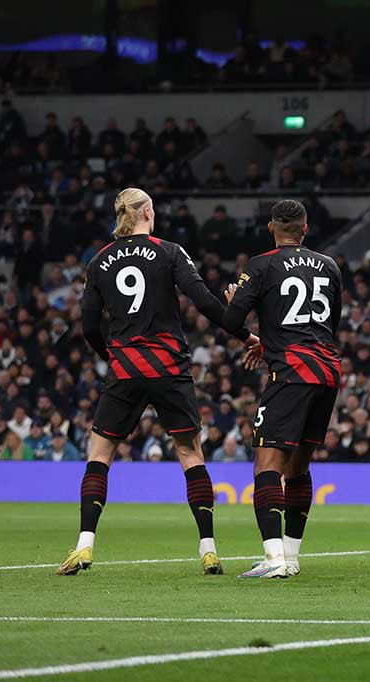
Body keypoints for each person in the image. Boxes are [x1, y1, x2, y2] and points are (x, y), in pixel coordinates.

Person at [57, 187, 256, 577]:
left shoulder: (98, 261)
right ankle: (208, 550)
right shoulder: (169, 251)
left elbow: (88, 326)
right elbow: (202, 301)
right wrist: (244, 334)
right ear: (147, 212)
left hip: (125, 368)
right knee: (190, 455)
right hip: (168, 367)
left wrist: (112, 358)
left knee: (100, 456)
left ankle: (84, 546)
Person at [223, 199, 343, 579]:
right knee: (299, 466)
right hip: (326, 371)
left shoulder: (261, 264)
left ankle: (273, 558)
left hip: (290, 373)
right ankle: (290, 556)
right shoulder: (330, 265)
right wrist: (271, 343)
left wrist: (241, 319)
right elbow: (326, 325)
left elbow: (231, 321)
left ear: (272, 228)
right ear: (305, 229)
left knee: (267, 464)